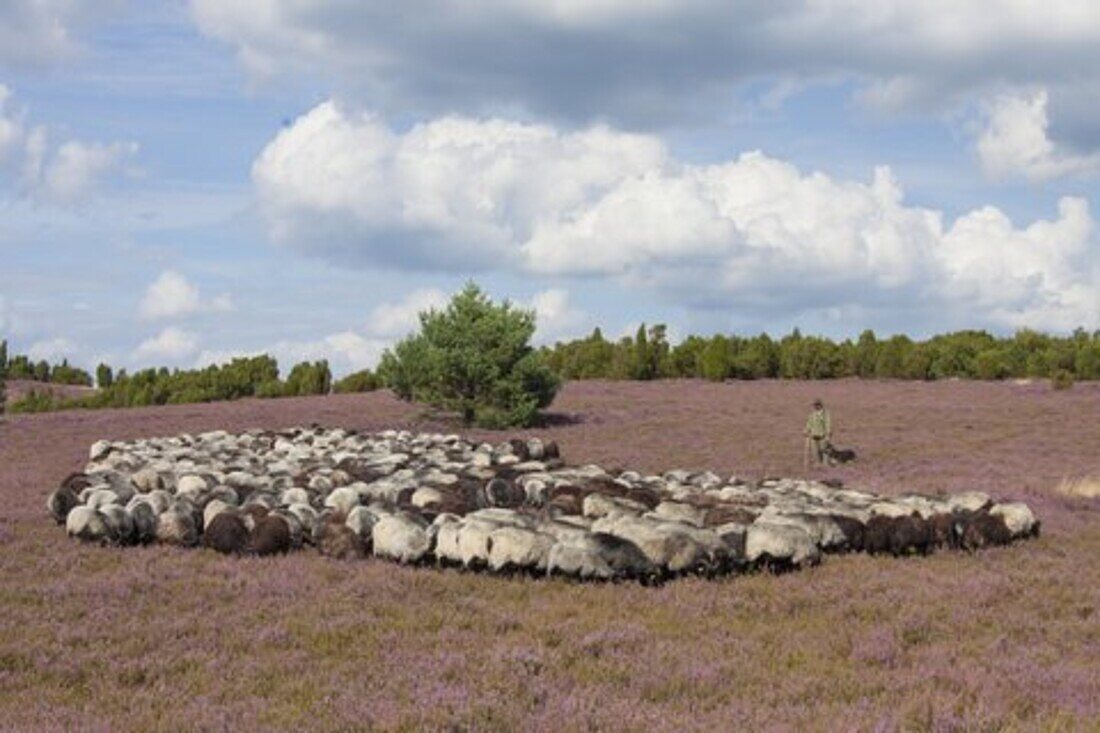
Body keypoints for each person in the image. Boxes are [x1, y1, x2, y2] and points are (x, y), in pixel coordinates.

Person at [804, 398, 831, 468]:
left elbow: (827, 424)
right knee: (815, 451)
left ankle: (825, 464)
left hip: (822, 436)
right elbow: (809, 423)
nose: (815, 407)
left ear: (820, 405)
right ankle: (817, 464)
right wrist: (806, 430)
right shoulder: (812, 414)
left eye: (817, 405)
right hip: (813, 436)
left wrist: (828, 435)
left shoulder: (825, 414)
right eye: (814, 405)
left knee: (824, 450)